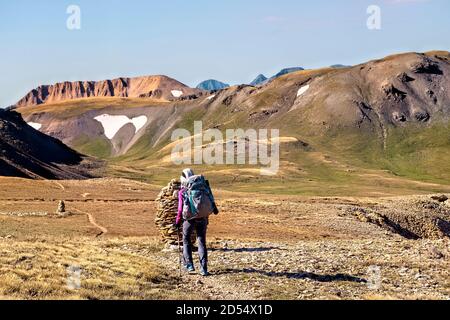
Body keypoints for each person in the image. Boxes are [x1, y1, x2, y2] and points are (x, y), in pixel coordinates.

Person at [175, 169, 218, 276]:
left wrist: (177, 221)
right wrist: (214, 209)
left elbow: (180, 209)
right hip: (203, 218)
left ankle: (189, 266)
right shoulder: (204, 187)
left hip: (189, 219)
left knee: (186, 241)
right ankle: (203, 269)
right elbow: (211, 199)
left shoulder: (183, 191)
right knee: (201, 242)